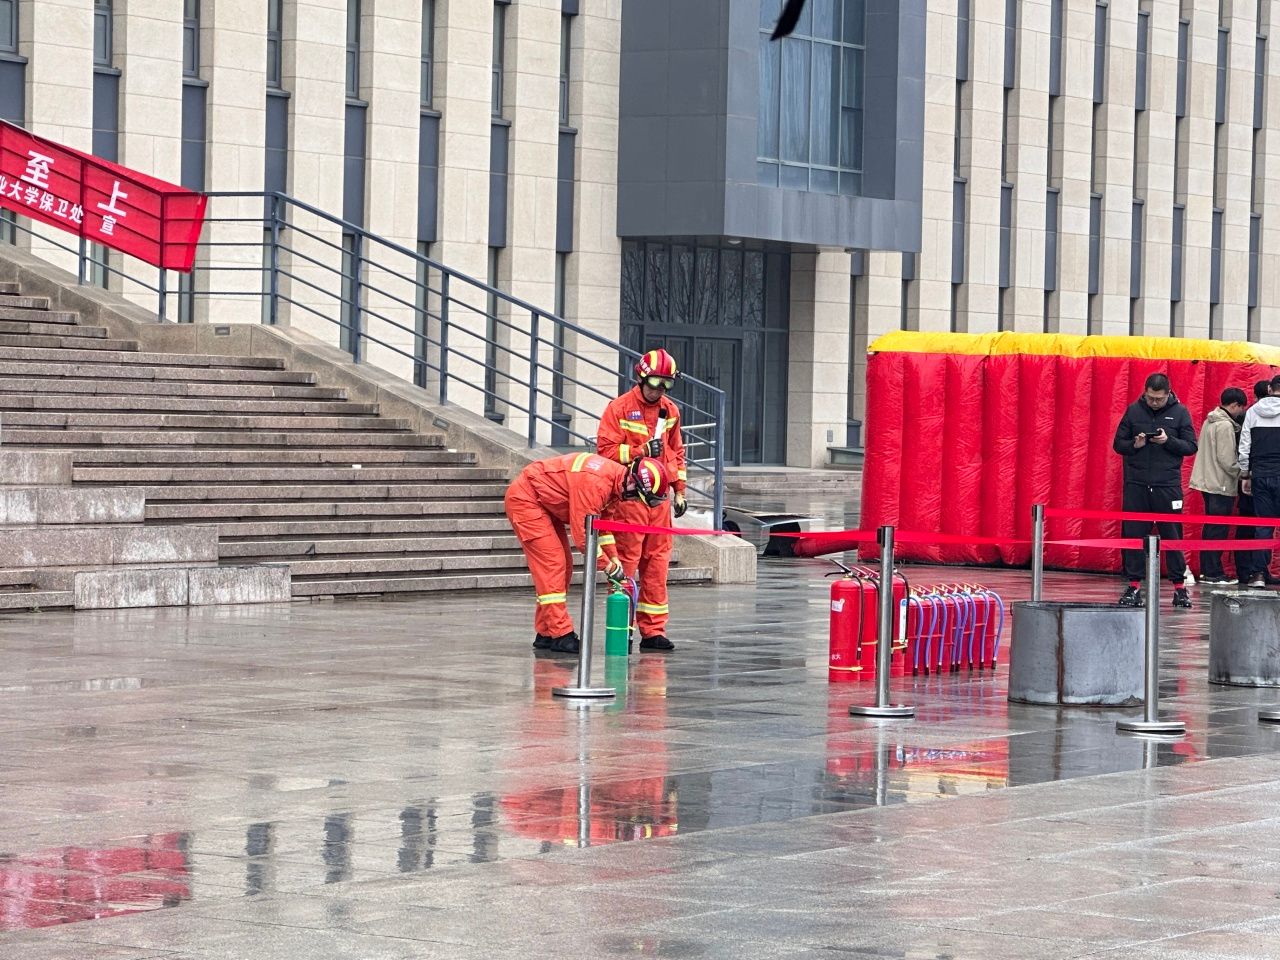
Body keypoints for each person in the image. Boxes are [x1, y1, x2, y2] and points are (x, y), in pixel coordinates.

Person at [504, 453, 669, 654]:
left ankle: (546, 632)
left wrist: (614, 558)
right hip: (526, 500)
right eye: (637, 496)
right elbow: (584, 536)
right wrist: (608, 567)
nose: (635, 501)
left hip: (544, 504)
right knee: (553, 564)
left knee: (564, 565)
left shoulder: (616, 484)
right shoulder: (596, 485)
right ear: (633, 483)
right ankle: (561, 634)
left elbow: (602, 528)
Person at [595, 348, 688, 652]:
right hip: (630, 498)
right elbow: (606, 452)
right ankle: (622, 629)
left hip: (659, 501)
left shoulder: (670, 411)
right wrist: (641, 451)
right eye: (656, 383)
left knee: (657, 565)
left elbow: (676, 452)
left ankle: (653, 631)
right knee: (627, 562)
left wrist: (680, 489)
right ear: (641, 378)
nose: (660, 390)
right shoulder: (619, 408)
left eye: (666, 384)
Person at [1112, 373, 1199, 608]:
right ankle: (1133, 586)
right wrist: (1135, 444)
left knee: (1173, 537)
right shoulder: (1133, 411)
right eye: (1150, 398)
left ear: (1168, 394)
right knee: (1133, 537)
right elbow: (1118, 444)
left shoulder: (1180, 412)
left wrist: (1168, 441)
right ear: (1145, 392)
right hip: (1137, 484)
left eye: (1159, 399)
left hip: (1167, 485)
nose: (1154, 402)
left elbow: (1191, 446)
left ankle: (1179, 589)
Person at [1189, 387, 1247, 584]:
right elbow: (1227, 459)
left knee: (1211, 527)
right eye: (1241, 408)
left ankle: (1208, 571)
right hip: (1220, 483)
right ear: (1234, 405)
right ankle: (1213, 573)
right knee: (1218, 529)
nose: (1241, 412)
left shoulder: (1210, 420)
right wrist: (1243, 473)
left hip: (1208, 481)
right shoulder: (1225, 425)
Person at [1238, 374, 1280, 588]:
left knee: (1263, 525)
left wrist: (1245, 474)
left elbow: (1244, 445)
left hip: (1260, 474)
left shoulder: (1253, 411)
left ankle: (1258, 575)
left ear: (1270, 389)